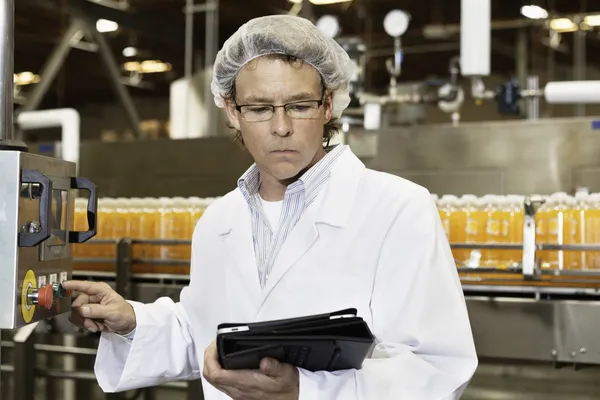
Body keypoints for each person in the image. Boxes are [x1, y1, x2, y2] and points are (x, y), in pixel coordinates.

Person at [63, 14, 478, 400]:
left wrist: (305, 391)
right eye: (260, 109)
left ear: (328, 104)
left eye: (299, 106)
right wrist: (133, 321)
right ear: (232, 111)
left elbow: (438, 369)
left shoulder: (398, 209)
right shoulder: (219, 220)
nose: (281, 127)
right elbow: (203, 332)